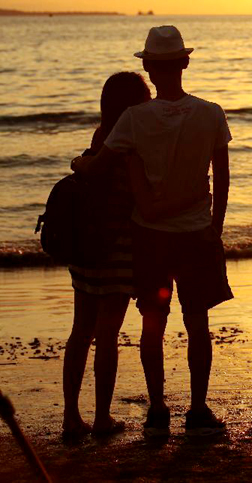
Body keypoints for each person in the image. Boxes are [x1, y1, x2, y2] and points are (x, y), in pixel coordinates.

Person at [72, 25, 233, 436]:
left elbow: (99, 165)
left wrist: (78, 164)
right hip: (196, 233)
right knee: (197, 323)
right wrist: (215, 227)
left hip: (150, 236)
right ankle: (197, 409)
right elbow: (223, 176)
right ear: (184, 62)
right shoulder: (212, 113)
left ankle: (158, 408)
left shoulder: (133, 119)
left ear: (149, 67)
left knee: (153, 323)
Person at [63, 71, 151, 439]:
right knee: (108, 334)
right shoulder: (133, 140)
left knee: (80, 331)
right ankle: (101, 418)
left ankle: (71, 417)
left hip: (85, 246)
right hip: (117, 248)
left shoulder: (99, 137)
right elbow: (138, 194)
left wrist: (76, 163)